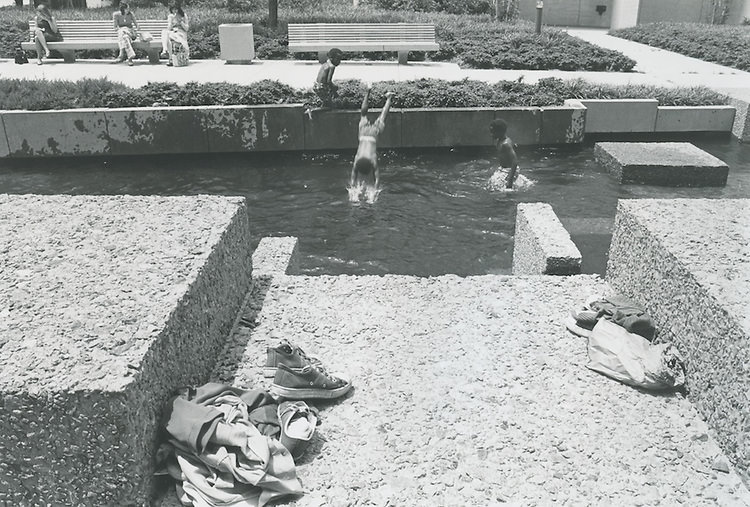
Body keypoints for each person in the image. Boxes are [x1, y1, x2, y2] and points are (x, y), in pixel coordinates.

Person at [349, 86, 395, 202]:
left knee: (382, 117)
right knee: (363, 114)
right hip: (363, 134)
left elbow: (374, 179)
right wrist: (374, 192)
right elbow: (375, 179)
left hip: (373, 136)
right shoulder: (357, 160)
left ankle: (389, 98)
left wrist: (354, 192)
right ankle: (368, 91)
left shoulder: (371, 161)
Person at [489, 119, 520, 189]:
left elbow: (515, 162)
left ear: (500, 132)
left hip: (509, 169)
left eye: (493, 132)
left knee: (496, 188)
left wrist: (510, 180)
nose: (491, 135)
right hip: (503, 168)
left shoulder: (505, 144)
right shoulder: (499, 141)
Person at [112, 2, 139, 66]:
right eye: (127, 8)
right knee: (125, 37)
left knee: (124, 33)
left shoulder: (131, 14)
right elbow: (115, 27)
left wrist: (136, 29)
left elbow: (137, 26)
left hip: (131, 33)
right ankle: (130, 58)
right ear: (122, 9)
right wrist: (123, 30)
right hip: (124, 34)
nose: (128, 10)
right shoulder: (116, 15)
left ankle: (121, 55)